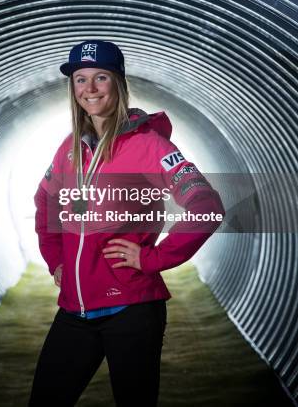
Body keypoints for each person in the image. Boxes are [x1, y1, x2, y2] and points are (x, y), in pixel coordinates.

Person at [29, 40, 225, 407]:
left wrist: (153, 260)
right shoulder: (70, 148)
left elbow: (206, 205)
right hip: (75, 310)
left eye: (100, 77)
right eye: (80, 79)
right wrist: (55, 259)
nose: (89, 89)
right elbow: (45, 202)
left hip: (132, 310)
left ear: (118, 82)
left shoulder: (151, 146)